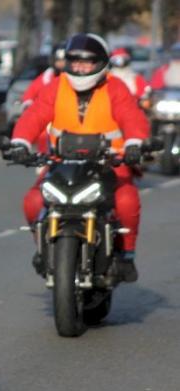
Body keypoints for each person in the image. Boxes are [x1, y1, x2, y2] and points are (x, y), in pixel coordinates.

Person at [10, 33, 150, 282]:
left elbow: (132, 117)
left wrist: (134, 144)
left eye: (87, 62)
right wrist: (20, 142)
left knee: (126, 199)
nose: (80, 67)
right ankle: (44, 247)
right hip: (62, 162)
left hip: (110, 162)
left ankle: (127, 254)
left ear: (100, 63)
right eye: (75, 61)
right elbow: (35, 116)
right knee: (33, 201)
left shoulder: (115, 87)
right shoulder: (55, 86)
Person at [19, 41, 67, 154]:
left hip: (69, 120)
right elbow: (31, 92)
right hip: (50, 120)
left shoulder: (75, 79)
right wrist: (28, 105)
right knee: (44, 139)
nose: (61, 64)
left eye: (64, 61)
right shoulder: (46, 77)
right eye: (58, 61)